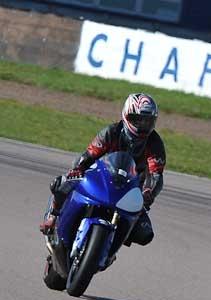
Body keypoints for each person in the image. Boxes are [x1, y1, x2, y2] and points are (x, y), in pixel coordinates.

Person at [39, 93, 165, 248]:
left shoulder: (155, 143)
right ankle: (53, 217)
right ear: (126, 115)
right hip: (101, 178)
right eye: (138, 119)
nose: (143, 125)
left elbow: (156, 174)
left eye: (147, 121)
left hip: (131, 189)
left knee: (145, 234)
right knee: (61, 183)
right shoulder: (111, 132)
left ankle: (111, 247)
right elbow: (89, 154)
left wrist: (147, 192)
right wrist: (77, 169)